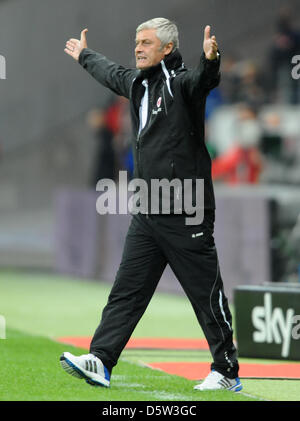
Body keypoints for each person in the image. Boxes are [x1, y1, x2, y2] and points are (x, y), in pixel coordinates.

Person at [60, 18, 242, 392]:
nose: (138, 47)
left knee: (205, 294)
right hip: (148, 210)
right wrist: (84, 55)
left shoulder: (181, 84)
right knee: (127, 290)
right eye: (136, 41)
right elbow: (111, 73)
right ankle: (101, 359)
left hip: (186, 208)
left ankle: (226, 372)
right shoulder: (138, 84)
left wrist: (212, 59)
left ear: (167, 49)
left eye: (146, 42)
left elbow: (203, 81)